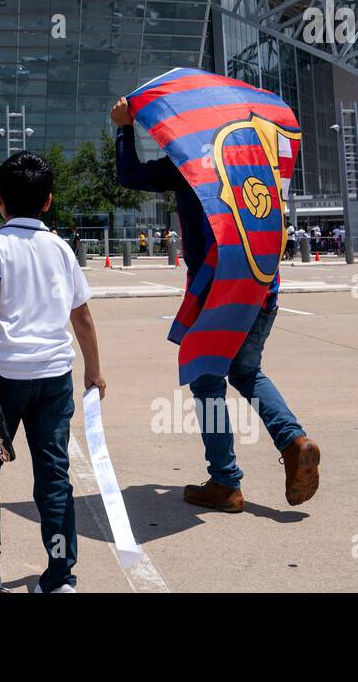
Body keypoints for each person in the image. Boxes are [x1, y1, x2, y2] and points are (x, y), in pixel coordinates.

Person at [110, 96, 320, 512]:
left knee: (208, 381)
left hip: (217, 287)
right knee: (246, 370)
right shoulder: (256, 159)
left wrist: (123, 127)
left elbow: (130, 174)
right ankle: (293, 441)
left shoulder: (192, 163)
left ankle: (225, 481)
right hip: (262, 283)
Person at [0, 152, 104, 594]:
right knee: (53, 475)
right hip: (55, 377)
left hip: (1, 377)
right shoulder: (60, 247)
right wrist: (94, 370)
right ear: (49, 201)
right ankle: (59, 575)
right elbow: (84, 318)